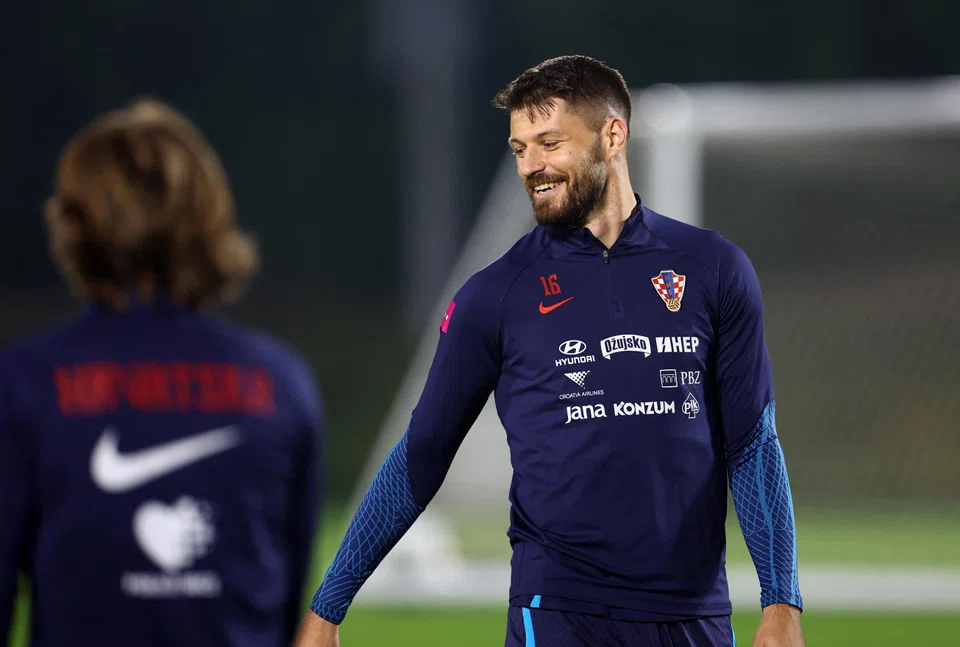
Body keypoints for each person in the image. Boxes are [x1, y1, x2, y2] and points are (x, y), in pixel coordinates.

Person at [295, 55, 804, 647]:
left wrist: (781, 602)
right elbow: (421, 454)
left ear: (613, 136)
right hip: (560, 610)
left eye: (549, 143)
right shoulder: (495, 295)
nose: (530, 166)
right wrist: (327, 609)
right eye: (519, 148)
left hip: (696, 614)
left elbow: (752, 444)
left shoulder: (715, 268)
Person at [0, 99, 324, 647]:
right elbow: (289, 607)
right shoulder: (283, 385)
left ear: (74, 224)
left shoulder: (24, 385)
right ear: (211, 218)